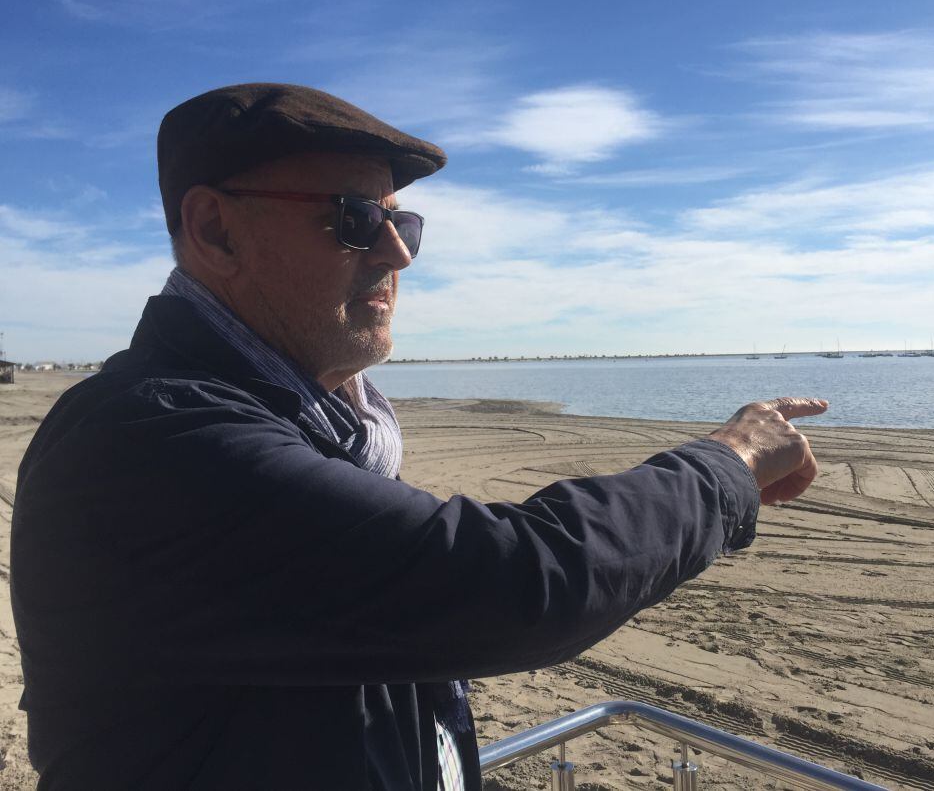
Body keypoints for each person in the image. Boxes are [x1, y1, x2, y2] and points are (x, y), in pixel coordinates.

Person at [11, 83, 827, 791]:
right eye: (356, 219)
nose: (398, 252)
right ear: (215, 230)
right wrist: (730, 463)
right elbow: (511, 580)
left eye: (406, 224)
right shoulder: (148, 439)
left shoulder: (315, 426)